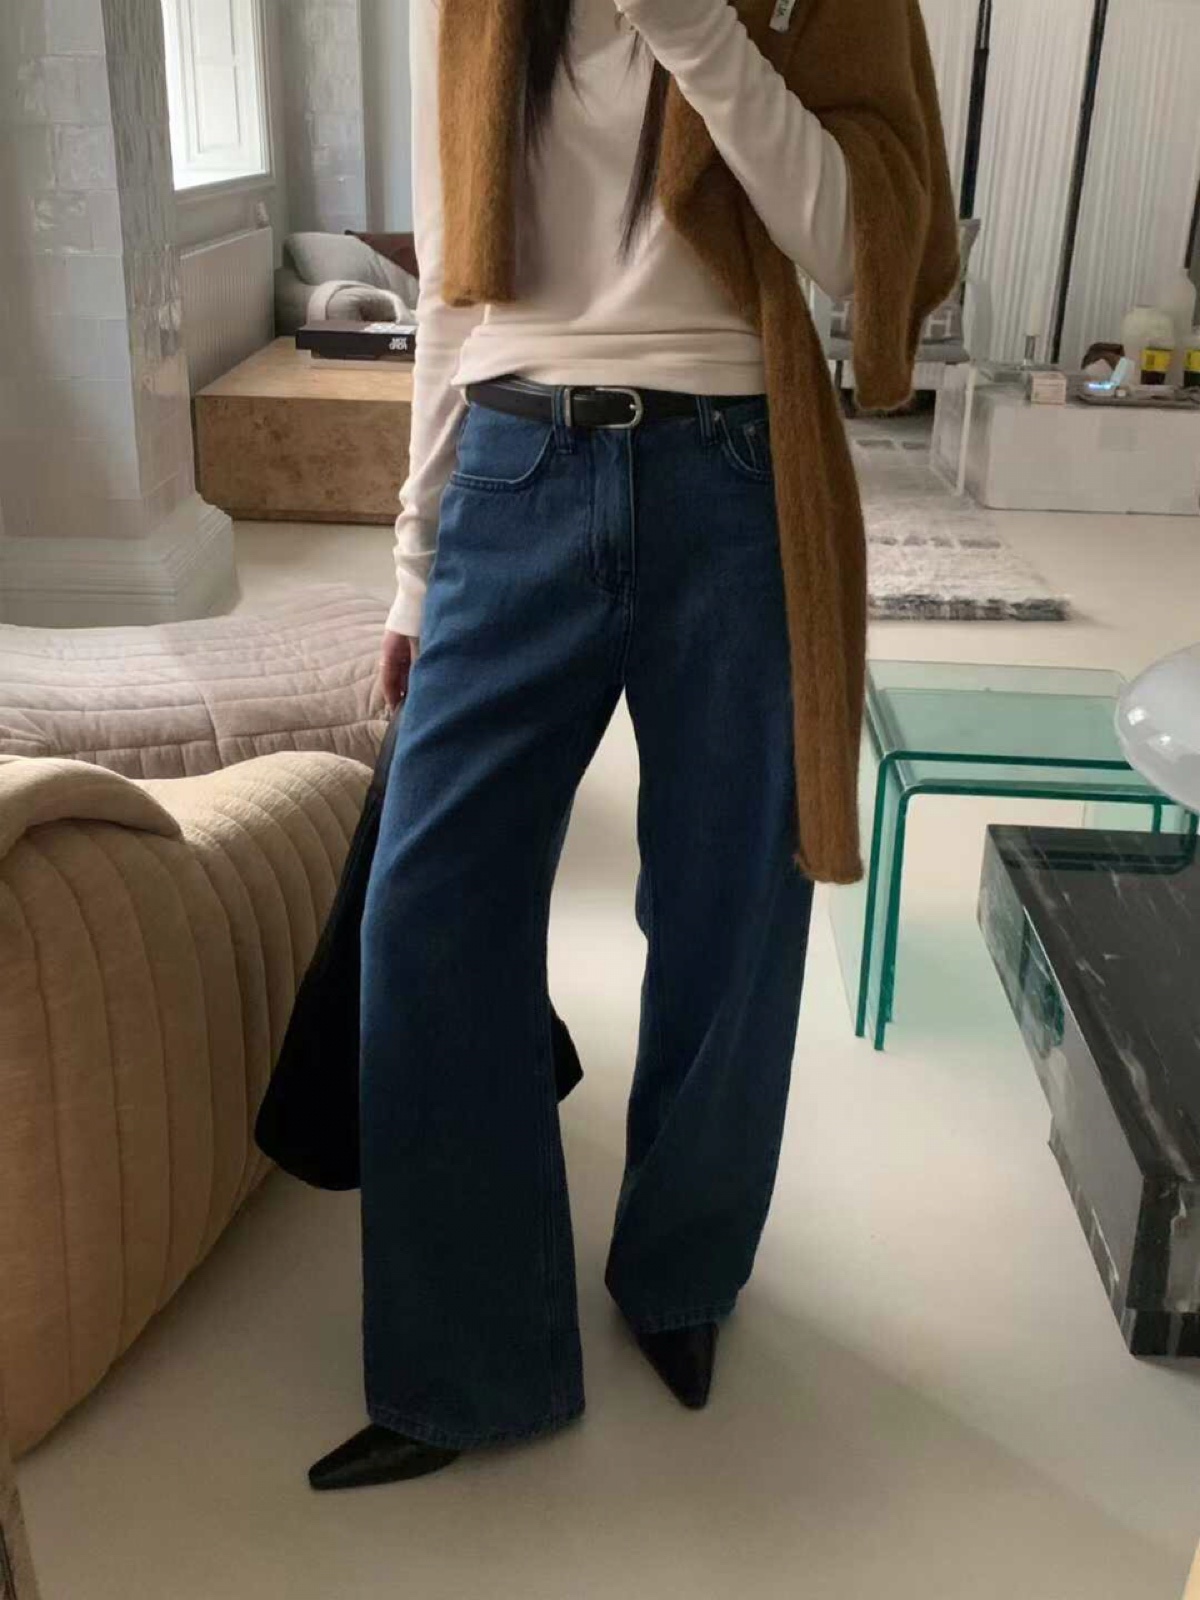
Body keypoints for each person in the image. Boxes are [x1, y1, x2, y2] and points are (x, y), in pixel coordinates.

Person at [309, 0, 956, 1490]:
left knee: (733, 909)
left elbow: (858, 235)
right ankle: (465, 1360)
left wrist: (694, 25)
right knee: (427, 910)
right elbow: (453, 285)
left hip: (734, 476)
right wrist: (413, 558)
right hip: (513, 469)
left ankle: (680, 1273)